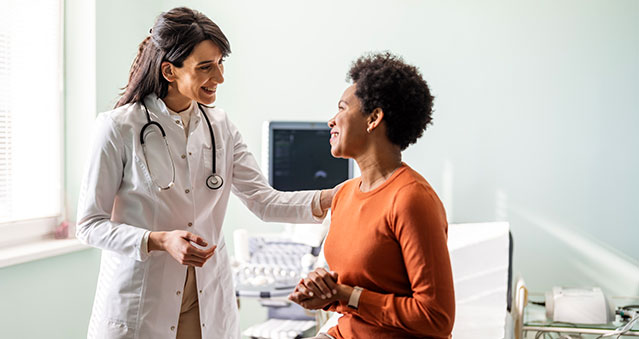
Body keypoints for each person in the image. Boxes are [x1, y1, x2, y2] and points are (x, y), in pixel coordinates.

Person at [76, 7, 336, 339]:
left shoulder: (220, 127)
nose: (220, 77)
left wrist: (340, 197)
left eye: (220, 63)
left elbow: (264, 201)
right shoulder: (118, 127)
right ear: (169, 71)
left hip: (206, 302)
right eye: (205, 67)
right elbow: (89, 225)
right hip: (142, 303)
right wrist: (159, 240)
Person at [288, 52, 456, 339]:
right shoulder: (345, 194)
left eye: (342, 108)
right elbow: (360, 286)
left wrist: (347, 295)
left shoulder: (411, 199)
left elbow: (436, 317)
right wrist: (325, 292)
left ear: (374, 118)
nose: (332, 120)